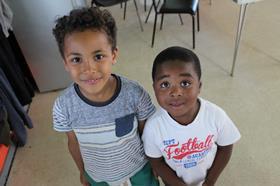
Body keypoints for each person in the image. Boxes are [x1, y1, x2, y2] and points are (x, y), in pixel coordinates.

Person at [52, 7, 159, 186]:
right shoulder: (63, 106)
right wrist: (82, 171)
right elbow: (73, 143)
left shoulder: (135, 94)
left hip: (139, 171)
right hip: (98, 178)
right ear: (65, 63)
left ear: (114, 55)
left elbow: (148, 133)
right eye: (76, 59)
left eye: (98, 56)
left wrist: (156, 163)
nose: (89, 69)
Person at [142, 46, 241, 186]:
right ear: (154, 88)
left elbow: (226, 146)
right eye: (165, 84)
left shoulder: (216, 116)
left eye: (185, 83)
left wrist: (210, 181)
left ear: (199, 86)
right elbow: (156, 161)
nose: (175, 92)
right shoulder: (153, 127)